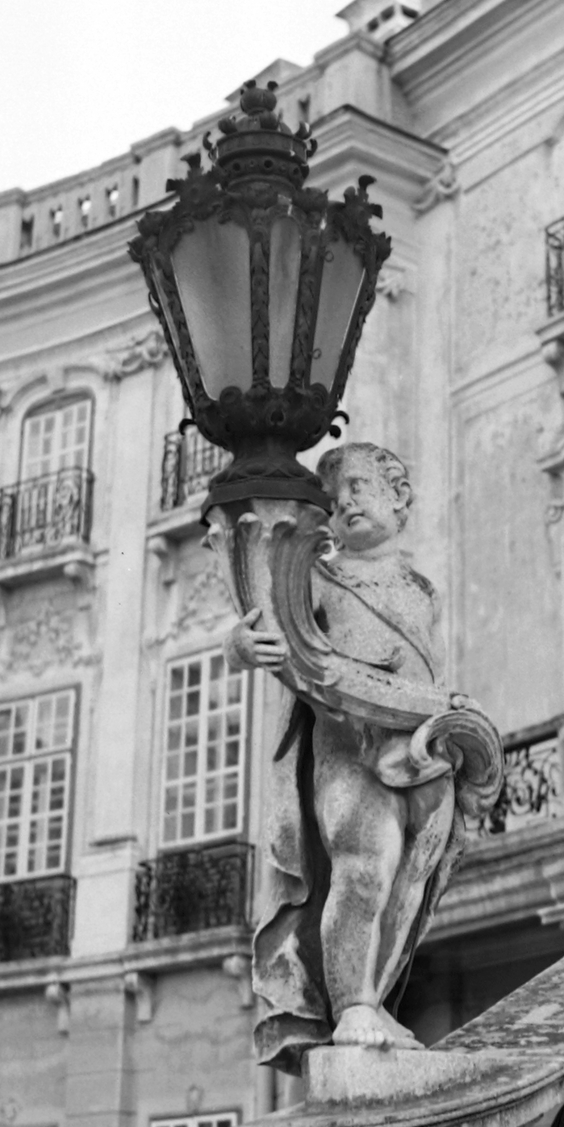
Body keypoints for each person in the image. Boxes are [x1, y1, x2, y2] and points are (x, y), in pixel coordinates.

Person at [229, 442, 468, 1070]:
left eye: (360, 487)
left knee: (409, 884)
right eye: (334, 500)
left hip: (423, 744)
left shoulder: (421, 588)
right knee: (364, 865)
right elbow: (266, 621)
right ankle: (352, 1001)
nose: (345, 504)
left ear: (400, 498)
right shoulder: (317, 575)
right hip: (347, 742)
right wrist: (239, 644)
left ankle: (377, 991)